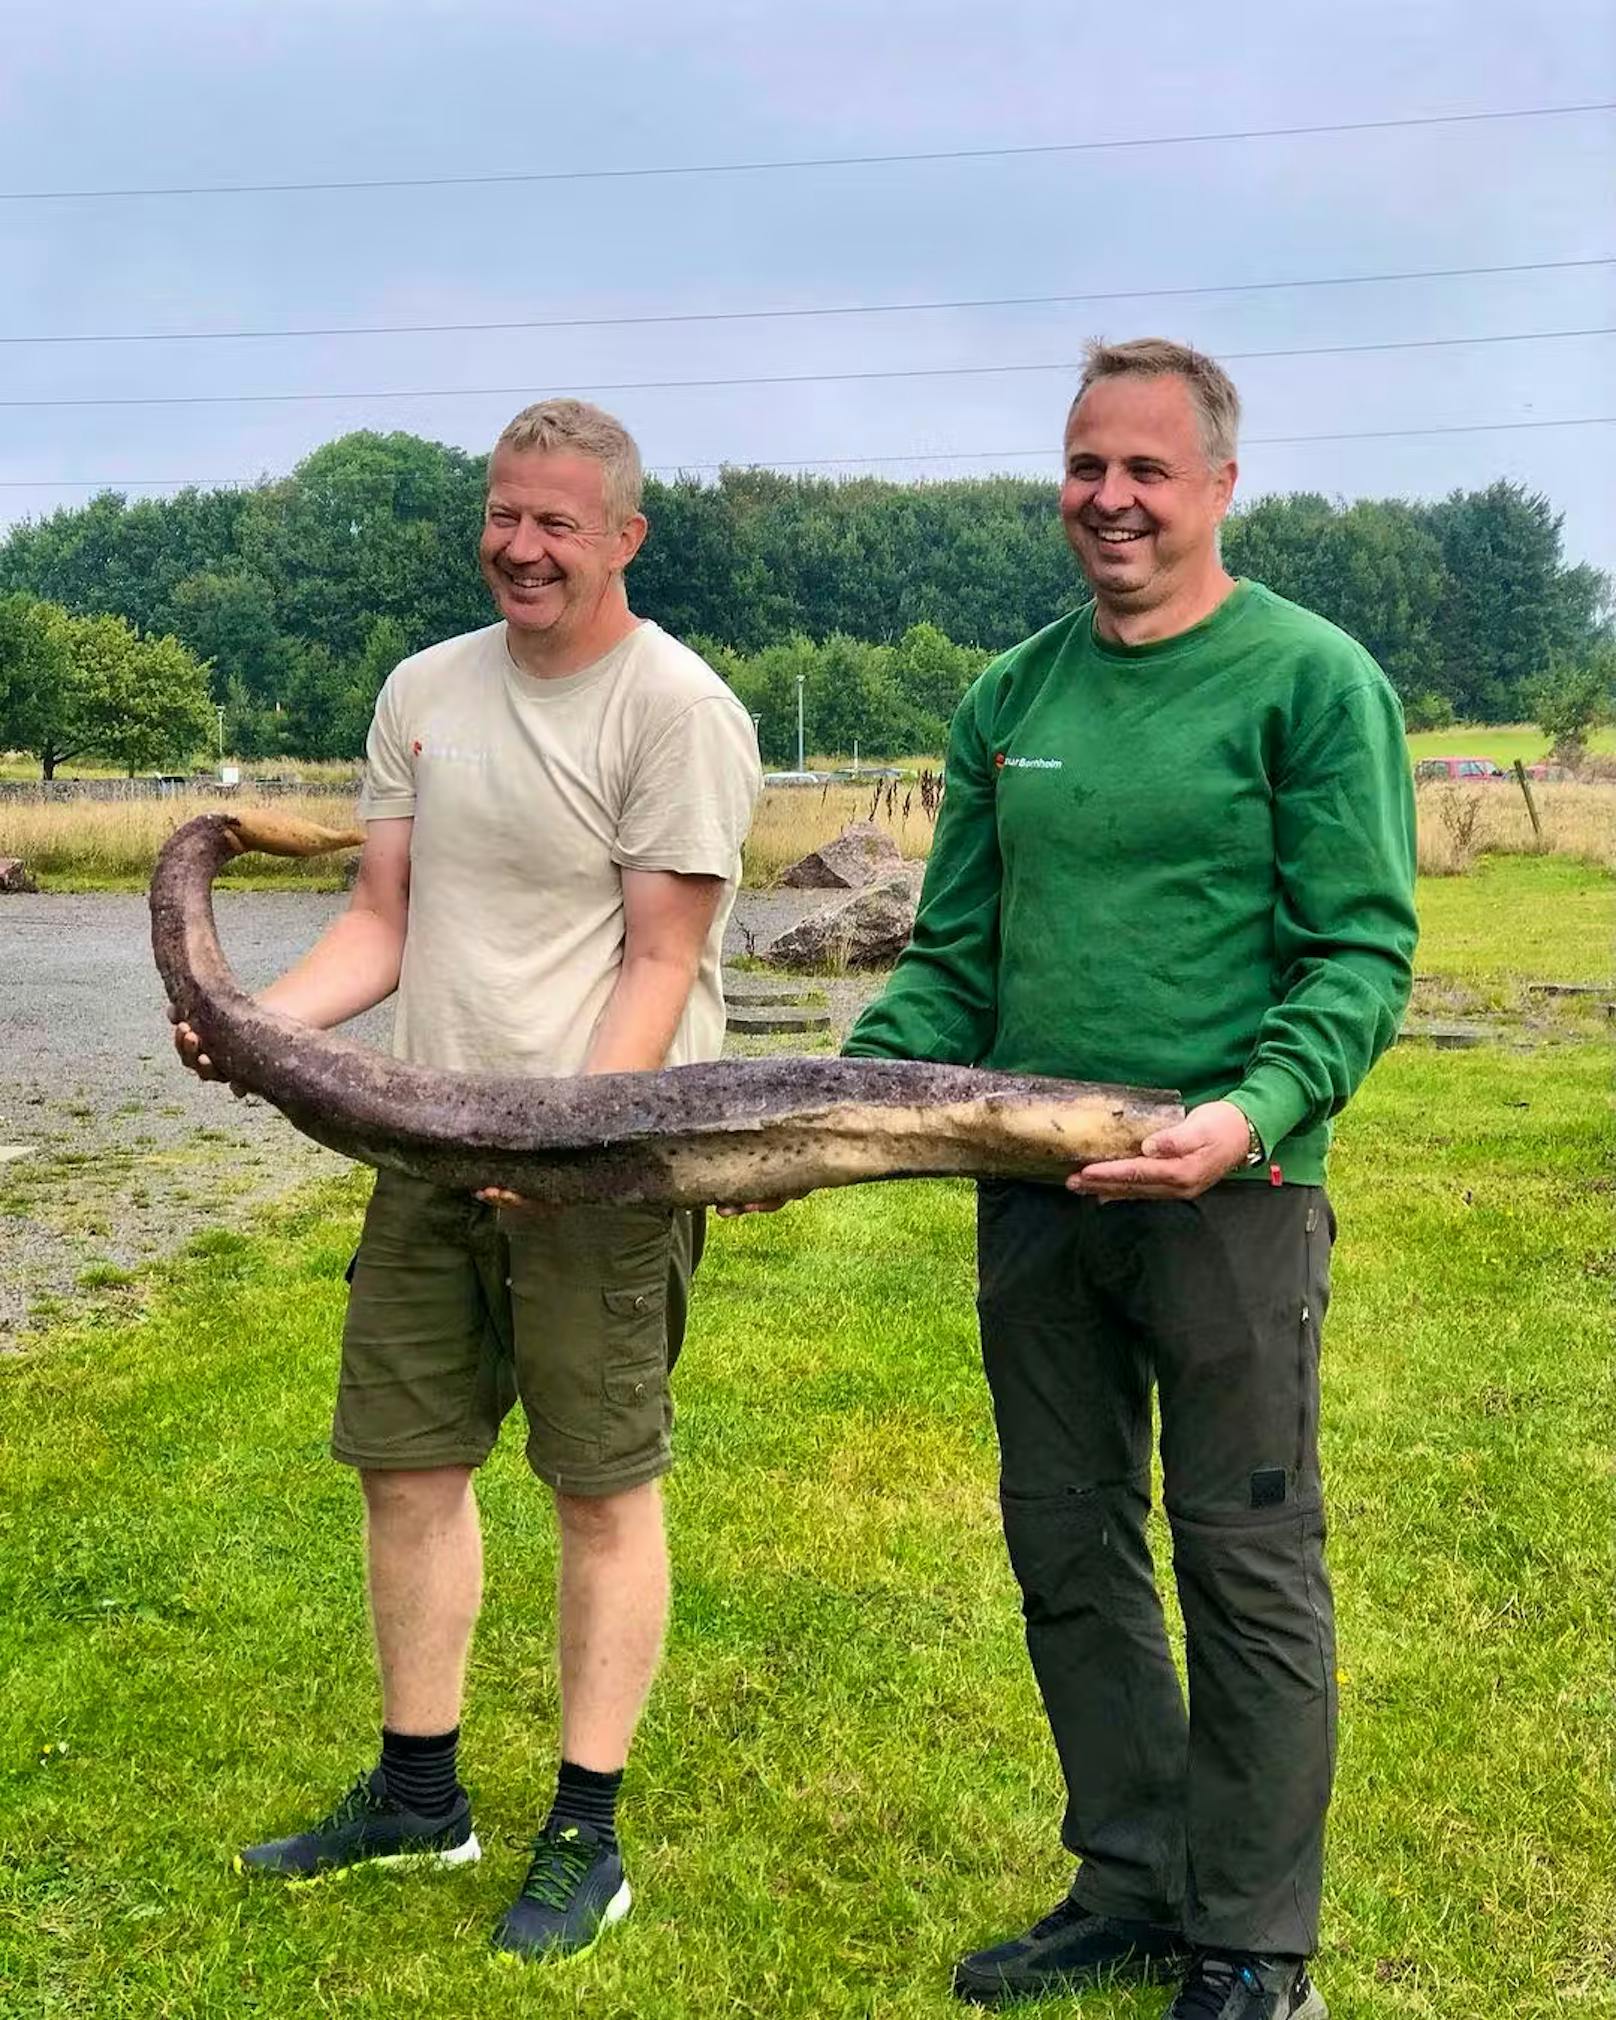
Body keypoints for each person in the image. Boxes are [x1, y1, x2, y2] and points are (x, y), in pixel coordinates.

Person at [841, 340, 1417, 2019]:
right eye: (1087, 465)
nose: (1110, 499)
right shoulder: (1011, 696)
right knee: (1068, 1543)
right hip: (1033, 1191)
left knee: (1248, 1557)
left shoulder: (1311, 681)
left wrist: (1252, 1114)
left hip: (1229, 1196)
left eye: (1148, 471)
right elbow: (952, 961)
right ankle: (1133, 1876)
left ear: (1221, 487)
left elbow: (1359, 955)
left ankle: (1253, 1940)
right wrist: (831, 1107)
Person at [174, 398, 761, 1962]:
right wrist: (254, 1026)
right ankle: (422, 1797)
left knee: (598, 1483)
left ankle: (589, 1831)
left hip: (604, 1160)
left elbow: (661, 959)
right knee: (408, 1461)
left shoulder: (676, 708)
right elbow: (382, 918)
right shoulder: (426, 689)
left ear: (626, 538)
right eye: (506, 514)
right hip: (425, 1139)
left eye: (559, 522)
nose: (522, 544)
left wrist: (561, 1142)